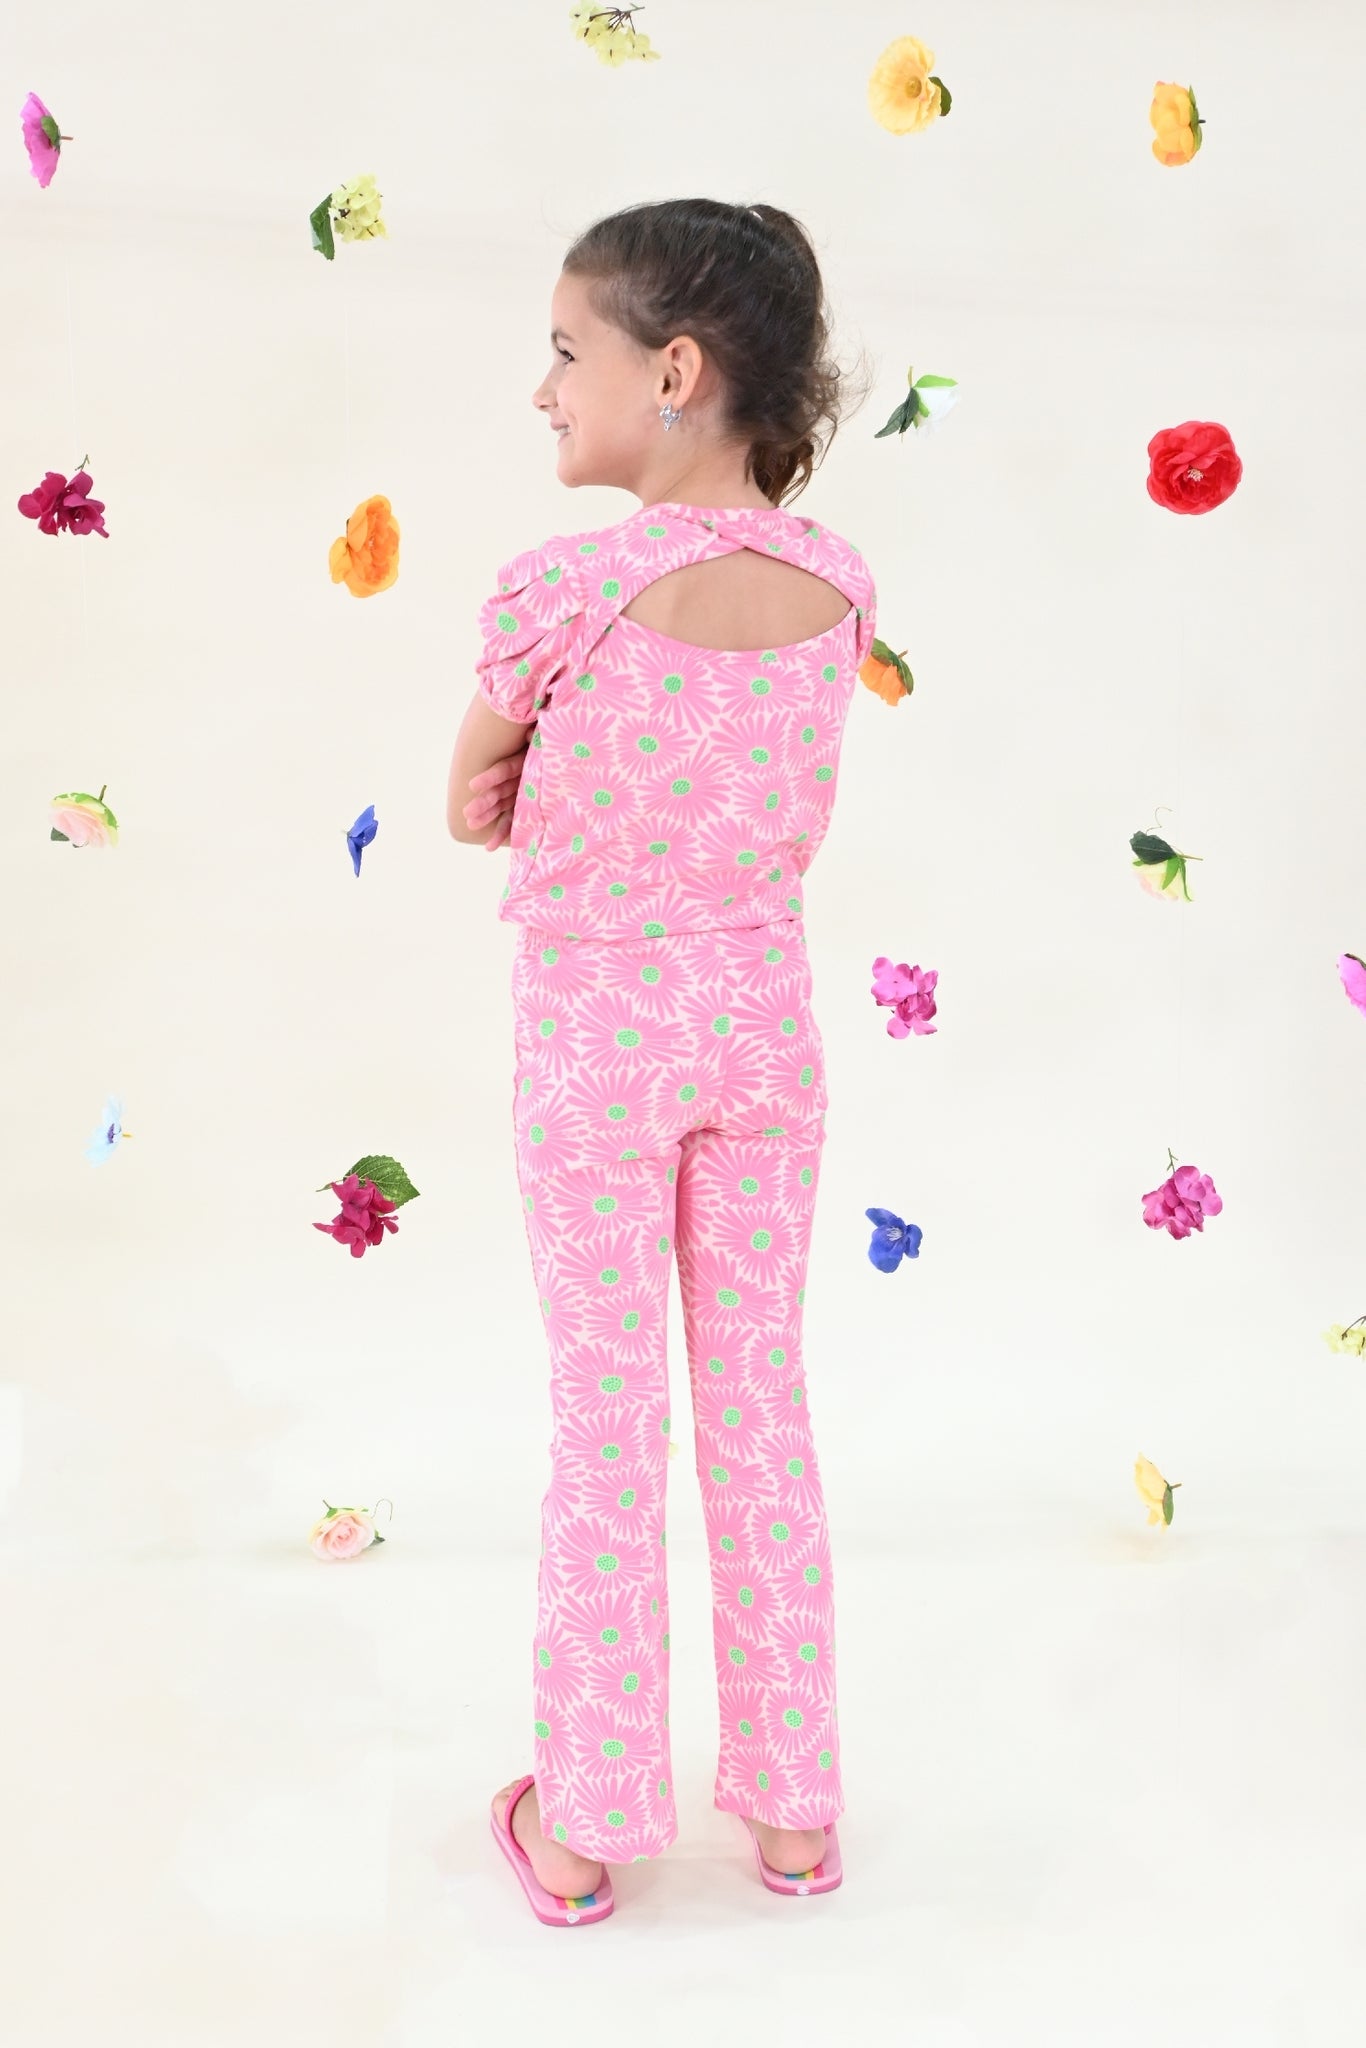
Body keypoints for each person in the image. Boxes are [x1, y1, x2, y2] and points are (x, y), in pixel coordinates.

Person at [446, 196, 877, 1922]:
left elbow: (472, 794)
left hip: (596, 1039)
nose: (545, 389)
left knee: (608, 1417)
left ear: (675, 371)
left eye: (569, 352)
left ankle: (584, 1823)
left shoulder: (561, 586)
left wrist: (544, 787)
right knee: (759, 1401)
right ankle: (793, 1810)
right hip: (762, 1025)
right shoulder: (839, 582)